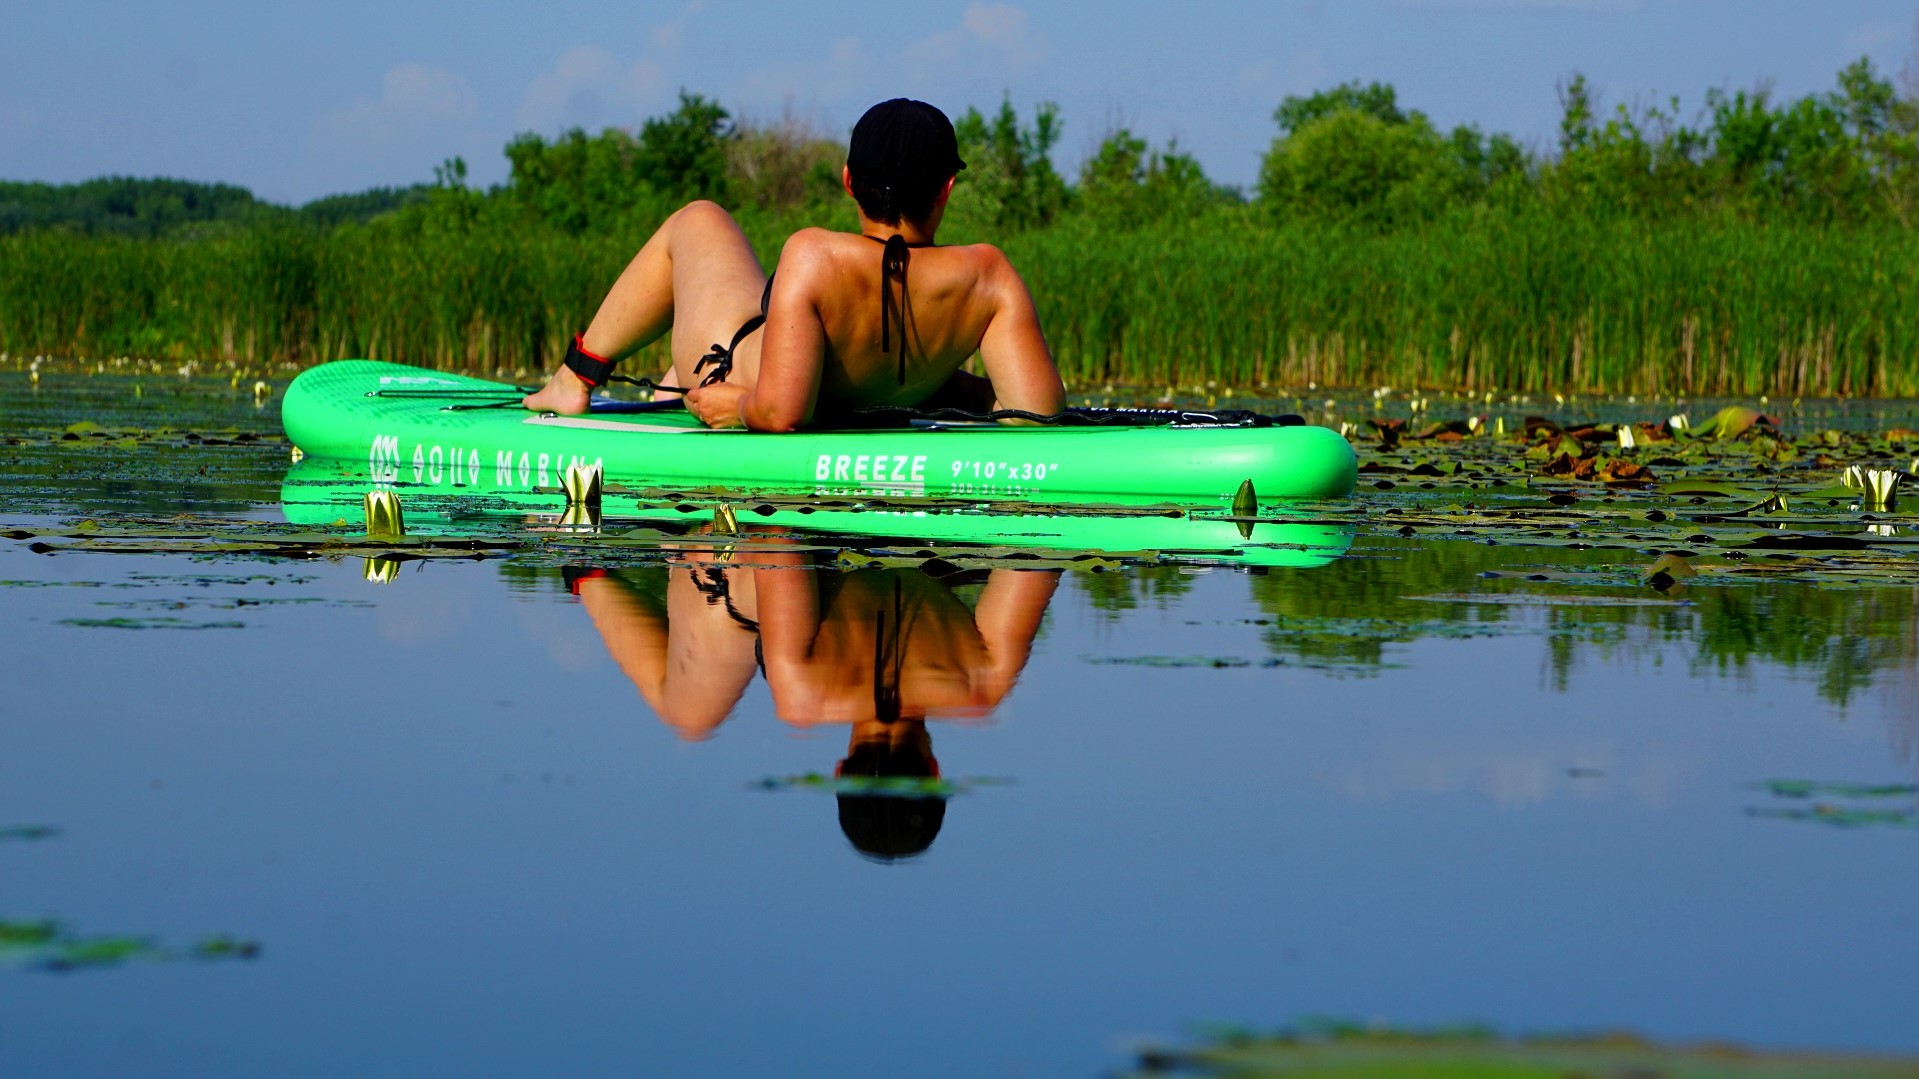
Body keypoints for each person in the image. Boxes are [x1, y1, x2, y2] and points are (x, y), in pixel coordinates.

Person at [521, 98, 1065, 430]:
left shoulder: (816, 255)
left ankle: (575, 378)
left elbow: (781, 414)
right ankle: (666, 383)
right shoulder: (988, 274)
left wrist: (740, 408)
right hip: (783, 362)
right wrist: (943, 385)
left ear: (849, 180)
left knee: (700, 220)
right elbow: (1036, 411)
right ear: (947, 187)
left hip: (726, 369)